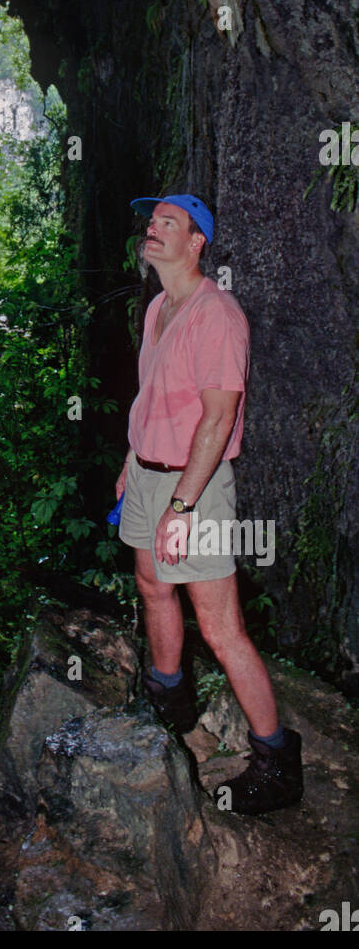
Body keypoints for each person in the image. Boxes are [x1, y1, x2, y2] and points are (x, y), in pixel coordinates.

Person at [116, 194, 302, 815]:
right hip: (147, 474)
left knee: (221, 628)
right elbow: (151, 396)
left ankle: (276, 761)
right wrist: (130, 461)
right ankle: (170, 706)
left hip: (195, 487)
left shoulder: (216, 314)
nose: (153, 229)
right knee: (151, 585)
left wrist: (183, 506)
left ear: (197, 242)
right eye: (151, 221)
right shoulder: (158, 309)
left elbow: (219, 418)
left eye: (169, 223)